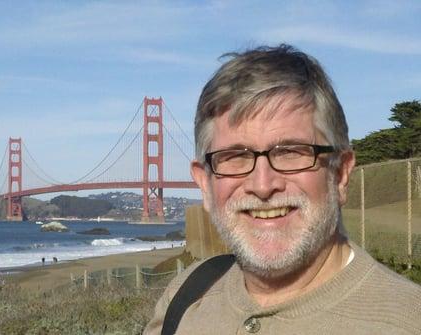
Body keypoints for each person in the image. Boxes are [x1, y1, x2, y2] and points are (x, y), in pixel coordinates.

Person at [144, 45, 421, 334]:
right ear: (205, 184)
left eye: (291, 152)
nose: (263, 186)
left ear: (340, 174)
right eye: (235, 157)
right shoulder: (184, 298)